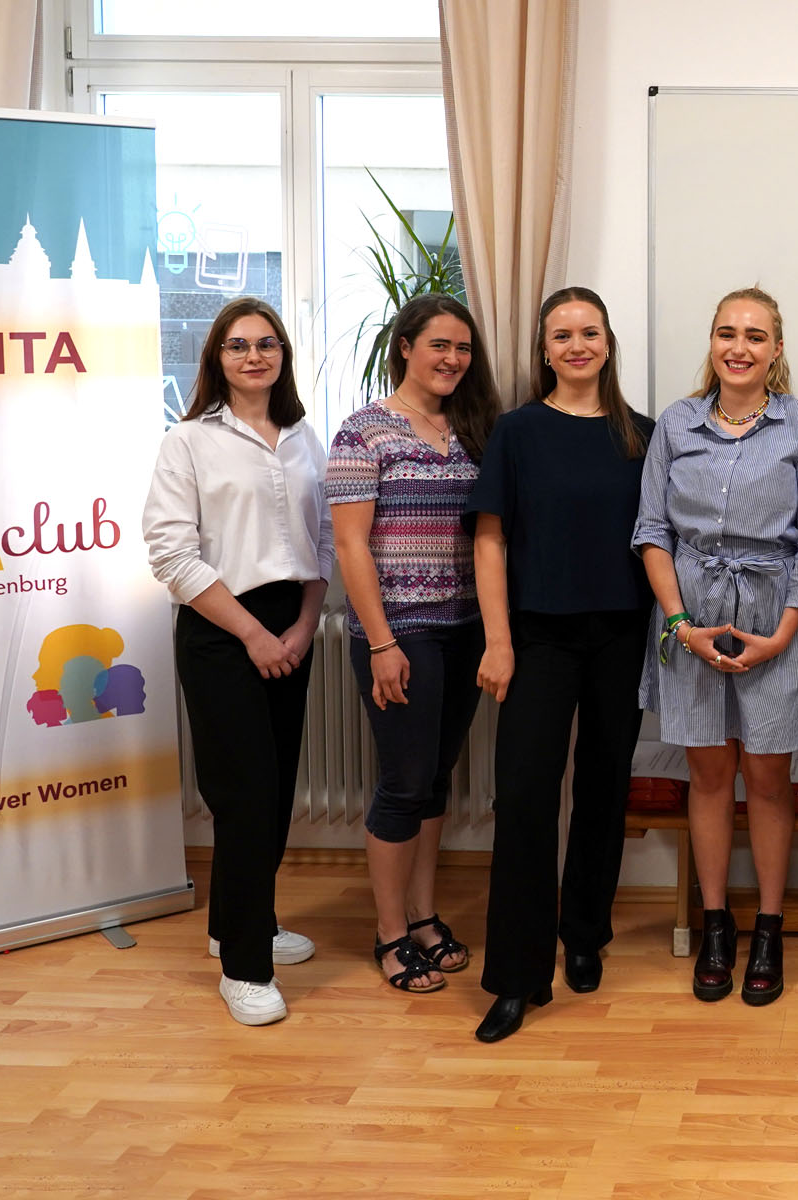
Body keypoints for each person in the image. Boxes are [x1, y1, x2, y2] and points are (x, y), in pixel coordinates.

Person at [635, 285, 798, 1008]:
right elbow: (652, 531)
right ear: (712, 342)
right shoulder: (677, 424)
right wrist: (680, 623)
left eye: (756, 335)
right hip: (690, 619)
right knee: (710, 777)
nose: (740, 347)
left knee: (769, 780)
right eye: (728, 332)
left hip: (774, 619)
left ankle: (770, 930)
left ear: (777, 350)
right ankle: (717, 925)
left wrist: (779, 639)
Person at [466, 286, 656, 1042]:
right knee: (525, 799)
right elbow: (490, 541)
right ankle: (516, 977)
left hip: (622, 634)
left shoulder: (643, 435)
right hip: (537, 637)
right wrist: (499, 639)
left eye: (590, 332)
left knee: (605, 791)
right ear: (544, 349)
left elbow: (659, 539)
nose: (578, 345)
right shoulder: (517, 433)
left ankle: (585, 933)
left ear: (608, 342)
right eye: (562, 335)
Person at [143, 297, 333, 1027]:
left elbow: (321, 545)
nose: (254, 356)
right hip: (223, 631)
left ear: (282, 354)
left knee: (277, 791)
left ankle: (238, 923)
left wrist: (306, 626)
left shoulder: (304, 439)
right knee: (244, 796)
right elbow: (171, 554)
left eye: (266, 344)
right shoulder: (188, 441)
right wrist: (254, 634)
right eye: (236, 345)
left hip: (294, 627)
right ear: (215, 358)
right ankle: (243, 970)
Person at [327, 294, 499, 995]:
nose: (453, 358)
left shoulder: (473, 428)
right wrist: (380, 642)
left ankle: (425, 915)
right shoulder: (363, 431)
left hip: (465, 631)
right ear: (405, 347)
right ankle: (392, 933)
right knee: (402, 784)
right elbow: (349, 544)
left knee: (435, 781)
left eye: (462, 348)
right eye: (439, 345)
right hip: (400, 633)